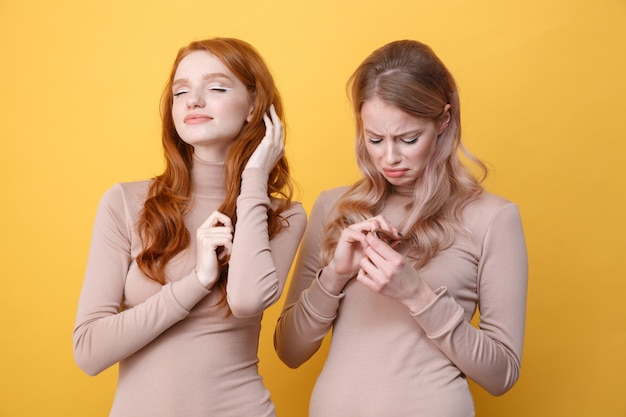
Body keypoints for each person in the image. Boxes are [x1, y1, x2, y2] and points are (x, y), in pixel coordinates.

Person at [274, 39, 528, 417]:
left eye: (409, 139)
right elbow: (289, 351)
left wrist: (418, 296)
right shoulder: (334, 207)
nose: (389, 157)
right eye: (374, 139)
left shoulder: (493, 218)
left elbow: (502, 374)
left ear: (443, 120)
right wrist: (335, 276)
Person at [73, 37, 306, 417]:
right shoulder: (126, 203)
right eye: (181, 92)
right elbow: (88, 351)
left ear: (254, 107)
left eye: (215, 88)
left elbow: (247, 300)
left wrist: (254, 179)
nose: (193, 101)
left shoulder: (284, 215)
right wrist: (196, 281)